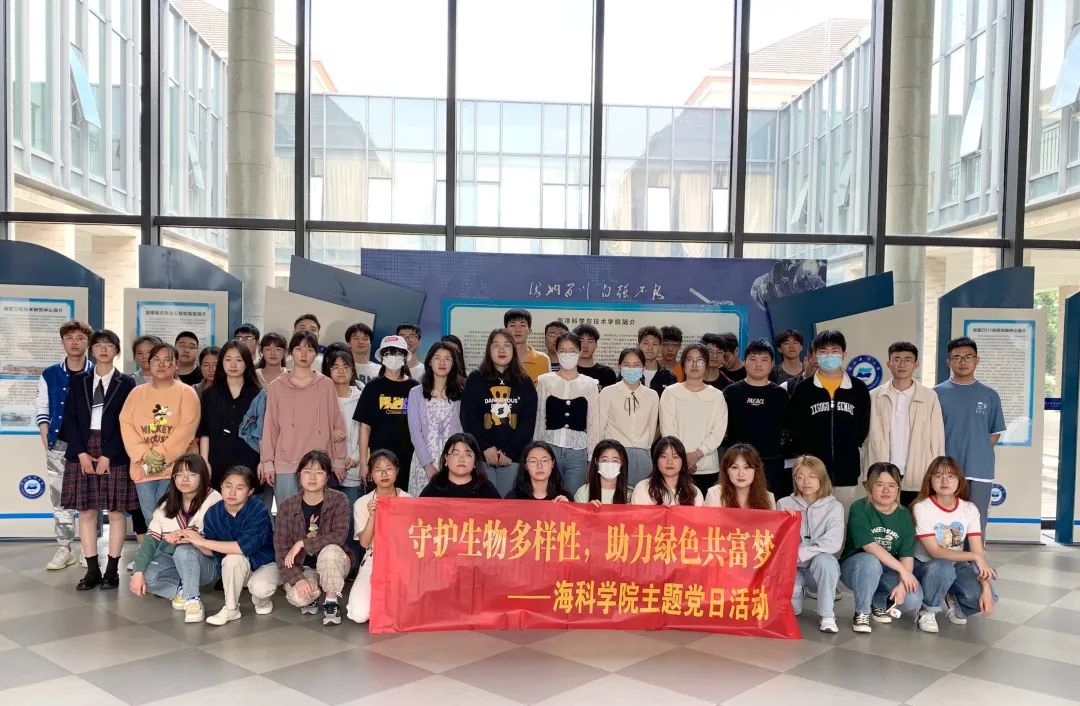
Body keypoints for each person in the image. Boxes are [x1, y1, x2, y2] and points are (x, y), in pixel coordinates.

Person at [60, 329, 138, 589]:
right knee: (86, 511)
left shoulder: (127, 383)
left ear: (117, 351)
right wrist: (81, 453)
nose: (103, 349)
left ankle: (112, 571)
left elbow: (127, 422)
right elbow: (69, 419)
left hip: (114, 449)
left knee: (116, 511)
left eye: (109, 345)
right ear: (91, 350)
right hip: (82, 447)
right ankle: (92, 570)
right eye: (98, 345)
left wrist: (108, 455)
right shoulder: (78, 380)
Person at [784, 329, 871, 514]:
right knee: (810, 521)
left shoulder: (858, 388)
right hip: (811, 475)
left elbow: (862, 428)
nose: (829, 356)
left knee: (842, 521)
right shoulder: (803, 389)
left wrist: (848, 449)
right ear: (815, 355)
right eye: (823, 351)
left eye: (834, 350)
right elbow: (795, 426)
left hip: (846, 471)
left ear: (844, 353)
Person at [128, 454, 222, 623]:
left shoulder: (214, 499)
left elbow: (218, 544)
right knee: (144, 575)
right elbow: (150, 540)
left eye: (192, 474)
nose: (185, 479)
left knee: (184, 551)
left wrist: (188, 538)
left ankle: (193, 600)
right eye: (179, 474)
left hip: (208, 565)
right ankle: (181, 589)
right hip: (176, 562)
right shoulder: (166, 503)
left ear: (203, 476)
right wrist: (138, 572)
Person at [910, 456, 998, 633]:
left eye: (950, 476)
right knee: (943, 567)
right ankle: (927, 610)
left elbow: (978, 553)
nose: (944, 481)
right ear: (930, 480)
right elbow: (935, 552)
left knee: (986, 598)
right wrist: (974, 557)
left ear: (959, 480)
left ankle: (953, 601)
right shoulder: (921, 507)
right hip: (925, 566)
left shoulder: (969, 509)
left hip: (956, 565)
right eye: (938, 476)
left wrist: (986, 588)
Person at [260, 330, 346, 507]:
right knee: (288, 515)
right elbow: (270, 427)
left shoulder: (326, 384)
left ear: (316, 353)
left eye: (310, 349)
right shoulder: (276, 386)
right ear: (290, 352)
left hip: (319, 464)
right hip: (285, 463)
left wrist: (339, 460)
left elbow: (337, 424)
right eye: (299, 349)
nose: (304, 354)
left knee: (318, 517)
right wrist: (267, 462)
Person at [120, 342, 202, 527]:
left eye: (167, 360)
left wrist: (159, 456)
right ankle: (158, 548)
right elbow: (126, 425)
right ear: (149, 363)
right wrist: (144, 454)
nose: (161, 364)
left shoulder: (187, 393)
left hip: (176, 468)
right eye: (156, 359)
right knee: (151, 520)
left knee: (169, 518)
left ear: (176, 364)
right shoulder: (136, 393)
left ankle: (170, 548)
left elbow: (186, 429)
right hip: (143, 467)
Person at [36, 320, 93, 571]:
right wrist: (46, 438)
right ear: (62, 343)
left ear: (87, 342)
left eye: (80, 338)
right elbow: (42, 408)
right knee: (60, 498)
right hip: (59, 443)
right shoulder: (50, 374)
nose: (74, 342)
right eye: (69, 338)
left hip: (90, 446)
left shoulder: (97, 372)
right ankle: (64, 548)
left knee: (90, 497)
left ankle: (89, 549)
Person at [839, 462, 923, 633]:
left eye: (891, 485)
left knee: (912, 599)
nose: (886, 490)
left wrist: (902, 583)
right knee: (870, 561)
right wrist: (903, 571)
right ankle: (862, 612)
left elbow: (907, 554)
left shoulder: (904, 515)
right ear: (869, 486)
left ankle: (878, 602)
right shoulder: (860, 508)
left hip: (888, 569)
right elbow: (870, 546)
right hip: (857, 567)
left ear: (898, 488)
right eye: (879, 485)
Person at [273, 450, 355, 626]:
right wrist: (299, 579)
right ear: (299, 475)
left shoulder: (339, 499)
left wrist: (302, 543)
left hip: (334, 562)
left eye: (319, 472)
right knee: (299, 598)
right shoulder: (287, 506)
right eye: (307, 471)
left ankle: (331, 601)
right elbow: (281, 550)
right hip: (303, 567)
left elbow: (339, 536)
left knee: (330, 551)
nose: (312, 477)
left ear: (327, 477)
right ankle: (313, 592)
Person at [934, 337, 1006, 533]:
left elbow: (993, 434)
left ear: (977, 360)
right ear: (948, 362)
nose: (962, 362)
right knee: (946, 522)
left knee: (976, 522)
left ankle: (975, 554)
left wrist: (977, 451)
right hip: (945, 471)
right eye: (956, 357)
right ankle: (949, 555)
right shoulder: (935, 394)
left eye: (968, 357)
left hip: (980, 470)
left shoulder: (990, 395)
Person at [191, 464, 279, 625]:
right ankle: (231, 609)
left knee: (260, 588)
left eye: (239, 488)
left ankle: (262, 601)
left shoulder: (258, 509)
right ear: (221, 487)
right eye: (228, 486)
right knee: (231, 559)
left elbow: (242, 547)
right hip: (237, 568)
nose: (232, 493)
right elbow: (212, 550)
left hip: (264, 563)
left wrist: (201, 541)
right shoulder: (213, 512)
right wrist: (190, 539)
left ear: (250, 491)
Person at [864, 342, 946, 507]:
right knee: (883, 518)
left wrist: (937, 472)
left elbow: (937, 438)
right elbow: (865, 438)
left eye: (908, 360)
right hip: (882, 471)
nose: (902, 364)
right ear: (889, 364)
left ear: (916, 364)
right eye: (896, 359)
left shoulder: (929, 397)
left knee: (915, 518)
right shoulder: (874, 396)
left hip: (918, 471)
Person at [460, 329, 538, 496]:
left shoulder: (524, 381)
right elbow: (468, 417)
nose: (501, 350)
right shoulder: (476, 379)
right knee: (484, 504)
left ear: (513, 349)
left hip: (512, 458)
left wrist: (508, 452)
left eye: (507, 345)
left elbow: (528, 422)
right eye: (496, 346)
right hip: (482, 456)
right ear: (489, 350)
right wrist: (485, 447)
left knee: (507, 504)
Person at [777, 455, 844, 633]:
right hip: (793, 568)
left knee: (826, 561)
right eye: (800, 477)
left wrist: (801, 552)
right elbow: (778, 541)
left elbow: (833, 542)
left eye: (812, 476)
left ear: (822, 478)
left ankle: (827, 615)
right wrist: (785, 520)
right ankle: (797, 591)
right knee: (793, 612)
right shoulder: (784, 503)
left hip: (818, 568)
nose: (806, 482)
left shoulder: (834, 506)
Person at [346, 450, 411, 624]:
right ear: (370, 474)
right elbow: (364, 543)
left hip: (403, 559)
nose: (384, 474)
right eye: (378, 469)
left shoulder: (409, 500)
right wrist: (373, 516)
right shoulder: (362, 503)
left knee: (407, 610)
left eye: (388, 468)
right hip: (375, 557)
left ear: (397, 471)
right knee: (359, 614)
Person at [722, 339, 791, 498]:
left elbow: (788, 428)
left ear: (772, 364)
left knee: (769, 506)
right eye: (753, 359)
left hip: (771, 464)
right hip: (737, 463)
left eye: (764, 360)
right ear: (744, 362)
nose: (758, 364)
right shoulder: (731, 392)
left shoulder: (780, 395)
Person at [534, 331, 599, 493]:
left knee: (573, 498)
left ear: (579, 352)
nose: (567, 355)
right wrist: (537, 450)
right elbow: (539, 418)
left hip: (577, 452)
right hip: (550, 449)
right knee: (548, 495)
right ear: (556, 352)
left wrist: (591, 458)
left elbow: (593, 423)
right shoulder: (544, 381)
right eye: (563, 351)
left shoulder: (590, 384)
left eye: (572, 351)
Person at [659, 344, 729, 495]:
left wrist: (697, 454)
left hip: (708, 467)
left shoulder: (717, 396)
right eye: (690, 360)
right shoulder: (670, 393)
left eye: (700, 360)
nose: (694, 365)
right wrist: (683, 458)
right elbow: (667, 429)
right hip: (675, 464)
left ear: (706, 365)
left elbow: (718, 432)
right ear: (683, 364)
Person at [355, 335, 419, 493]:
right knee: (379, 502)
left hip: (409, 458)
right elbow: (364, 428)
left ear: (405, 356)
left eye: (398, 353)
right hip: (379, 459)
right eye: (389, 353)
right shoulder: (372, 388)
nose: (393, 357)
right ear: (382, 358)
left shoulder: (415, 388)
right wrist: (363, 463)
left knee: (405, 501)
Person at [198, 342, 262, 491]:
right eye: (228, 359)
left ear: (247, 363)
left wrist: (264, 461)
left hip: (250, 459)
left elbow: (262, 433)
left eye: (239, 360)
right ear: (222, 362)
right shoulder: (209, 395)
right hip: (218, 460)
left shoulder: (259, 395)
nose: (233, 365)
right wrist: (205, 461)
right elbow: (205, 433)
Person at [407, 342, 465, 496]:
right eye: (437, 358)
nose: (442, 362)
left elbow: (462, 431)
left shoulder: (462, 393)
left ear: (453, 363)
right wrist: (428, 465)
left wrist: (452, 462)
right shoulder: (415, 393)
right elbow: (415, 433)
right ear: (429, 362)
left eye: (447, 358)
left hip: (453, 460)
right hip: (423, 460)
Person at [598, 347, 660, 485]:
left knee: (642, 495)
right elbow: (600, 427)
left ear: (643, 368)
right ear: (619, 366)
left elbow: (651, 429)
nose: (632, 369)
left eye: (636, 365)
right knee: (615, 494)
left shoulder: (652, 395)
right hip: (614, 455)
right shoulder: (607, 393)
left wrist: (645, 448)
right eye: (627, 365)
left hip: (643, 454)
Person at [323, 348, 364, 504]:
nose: (341, 371)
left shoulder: (361, 398)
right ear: (329, 371)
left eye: (346, 366)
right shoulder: (322, 397)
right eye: (336, 367)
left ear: (352, 370)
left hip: (353, 466)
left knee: (351, 513)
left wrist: (356, 456)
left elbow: (365, 430)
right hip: (327, 466)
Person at [419, 433, 502, 499]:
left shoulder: (486, 489)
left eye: (467, 454)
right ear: (446, 458)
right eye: (455, 454)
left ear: (475, 461)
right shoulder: (433, 489)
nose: (461, 459)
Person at [631, 436, 704, 506]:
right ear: (656, 460)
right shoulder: (642, 488)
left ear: (683, 462)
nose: (669, 462)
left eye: (675, 457)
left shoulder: (694, 492)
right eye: (664, 456)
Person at [705, 443, 776, 509]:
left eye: (747, 467)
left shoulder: (769, 497)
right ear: (726, 470)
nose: (741, 474)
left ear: (756, 470)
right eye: (735, 467)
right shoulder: (715, 494)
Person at [505, 441, 573, 501]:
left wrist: (566, 507)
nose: (539, 466)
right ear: (525, 466)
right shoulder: (513, 497)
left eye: (544, 461)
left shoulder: (564, 497)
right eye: (533, 461)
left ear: (552, 463)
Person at [575, 440, 630, 504]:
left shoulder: (629, 494)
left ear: (622, 463)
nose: (609, 465)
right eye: (604, 460)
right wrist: (588, 508)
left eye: (615, 461)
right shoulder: (583, 492)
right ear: (596, 461)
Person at [505, 308, 551, 383]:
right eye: (512, 325)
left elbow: (547, 388)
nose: (517, 329)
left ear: (530, 331)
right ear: (505, 331)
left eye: (522, 325)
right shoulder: (499, 358)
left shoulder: (543, 359)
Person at [573, 323, 618, 389]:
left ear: (596, 344)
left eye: (590, 341)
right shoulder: (567, 371)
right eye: (581, 341)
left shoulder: (607, 373)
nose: (585, 345)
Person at [638, 325, 677, 394]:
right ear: (638, 346)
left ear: (660, 347)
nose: (650, 348)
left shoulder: (669, 377)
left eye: (654, 344)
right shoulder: (629, 373)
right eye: (646, 343)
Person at [346, 322, 379, 388]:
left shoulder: (380, 370)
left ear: (370, 343)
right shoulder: (342, 368)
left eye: (365, 339)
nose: (361, 342)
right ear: (348, 343)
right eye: (356, 338)